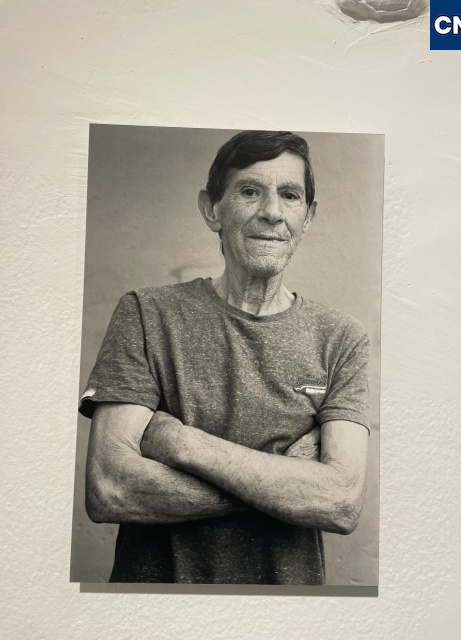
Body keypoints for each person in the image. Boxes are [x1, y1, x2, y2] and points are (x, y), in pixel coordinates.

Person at [80, 130, 370, 584]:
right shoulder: (146, 313)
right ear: (211, 209)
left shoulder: (342, 339)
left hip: (288, 615)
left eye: (289, 195)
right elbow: (110, 488)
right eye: (249, 191)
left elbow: (341, 502)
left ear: (308, 216)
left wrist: (182, 444)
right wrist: (290, 480)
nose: (272, 212)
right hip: (151, 611)